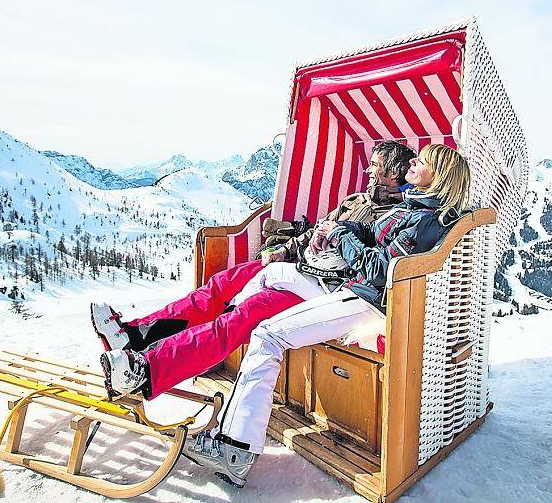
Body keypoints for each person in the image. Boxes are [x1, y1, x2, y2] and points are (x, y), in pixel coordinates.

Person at [185, 144, 472, 487]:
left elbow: (381, 273)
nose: (413, 162)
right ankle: (230, 331)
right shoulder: (415, 208)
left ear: (437, 176)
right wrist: (340, 230)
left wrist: (343, 239)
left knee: (267, 335)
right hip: (352, 287)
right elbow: (374, 237)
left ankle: (235, 449)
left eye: (421, 162)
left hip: (367, 299)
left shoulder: (425, 221)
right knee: (268, 274)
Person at [92, 141, 417, 400]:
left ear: (393, 173)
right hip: (298, 266)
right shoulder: (355, 200)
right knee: (220, 285)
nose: (368, 170)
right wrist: (285, 249)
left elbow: (368, 266)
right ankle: (134, 335)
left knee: (240, 316)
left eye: (375, 165)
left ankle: (146, 370)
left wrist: (337, 243)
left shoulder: (393, 216)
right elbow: (316, 230)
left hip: (320, 288)